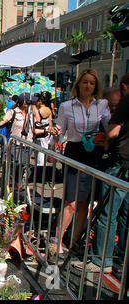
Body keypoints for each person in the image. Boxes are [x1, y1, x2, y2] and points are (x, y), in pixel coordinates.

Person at [72, 73, 128, 275]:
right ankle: (120, 258)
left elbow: (112, 132)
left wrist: (105, 141)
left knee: (108, 211)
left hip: (120, 162)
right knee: (124, 214)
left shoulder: (127, 99)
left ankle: (101, 260)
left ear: (124, 87)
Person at [51, 68, 111, 257]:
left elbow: (110, 129)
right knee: (70, 201)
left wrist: (107, 139)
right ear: (78, 84)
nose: (88, 86)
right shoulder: (67, 106)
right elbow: (59, 135)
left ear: (96, 86)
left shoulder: (102, 104)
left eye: (92, 83)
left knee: (85, 202)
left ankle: (74, 241)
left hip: (94, 153)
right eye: (85, 82)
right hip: (75, 152)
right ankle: (57, 241)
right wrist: (55, 135)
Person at [33, 91, 54, 166]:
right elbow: (50, 121)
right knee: (44, 149)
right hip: (47, 131)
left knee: (39, 150)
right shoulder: (49, 109)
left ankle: (39, 165)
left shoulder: (38, 110)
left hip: (39, 131)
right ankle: (42, 165)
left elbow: (37, 120)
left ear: (40, 101)